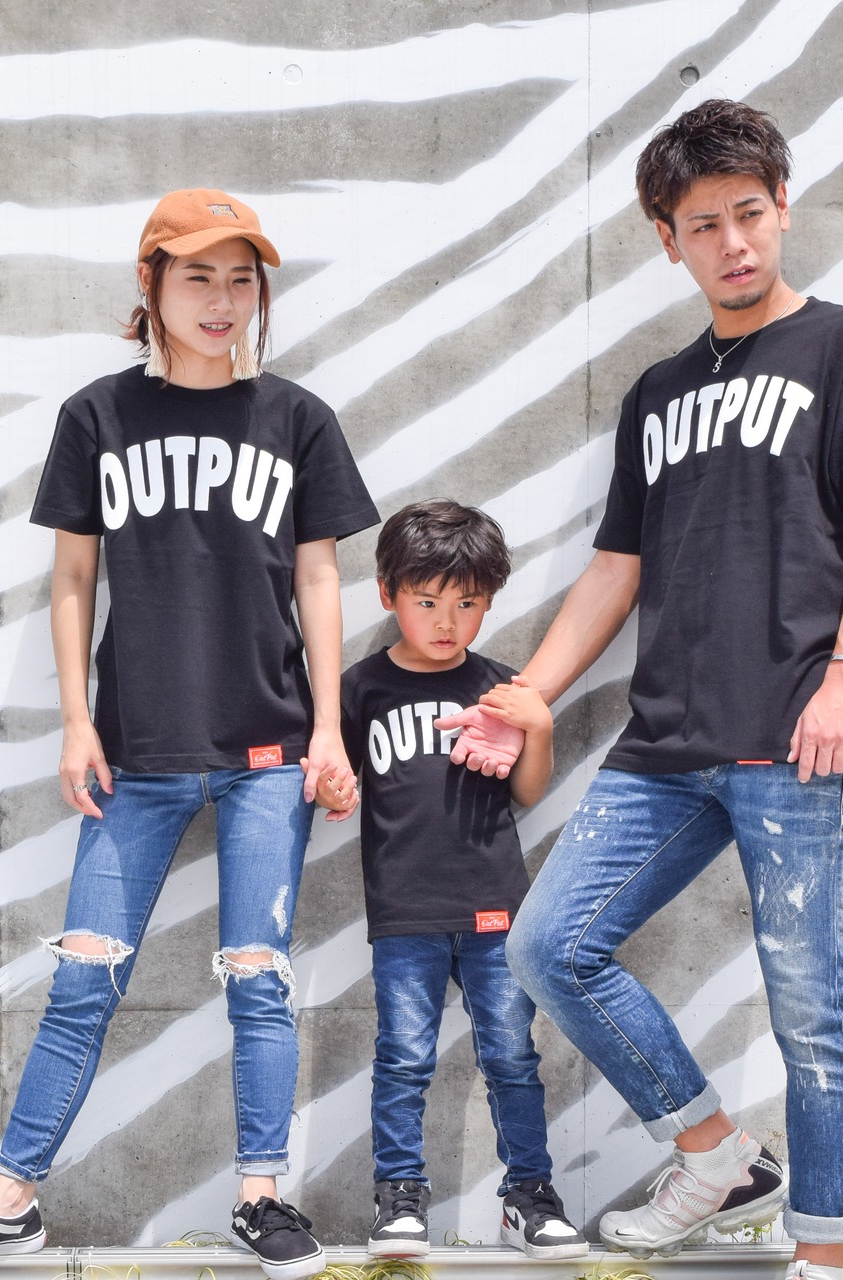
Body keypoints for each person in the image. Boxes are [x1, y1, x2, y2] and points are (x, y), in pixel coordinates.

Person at [445, 101, 843, 1280]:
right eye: (702, 224)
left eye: (748, 213)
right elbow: (614, 566)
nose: (731, 242)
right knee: (548, 946)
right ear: (665, 239)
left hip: (798, 731)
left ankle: (818, 1252)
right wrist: (528, 691)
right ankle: (715, 1149)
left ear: (781, 209)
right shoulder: (658, 390)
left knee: (809, 1006)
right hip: (664, 741)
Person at [0, 189, 379, 1279]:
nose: (222, 299)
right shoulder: (98, 416)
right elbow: (72, 579)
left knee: (259, 978)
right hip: (134, 752)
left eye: (241, 278)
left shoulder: (295, 418)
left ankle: (260, 1197)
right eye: (198, 275)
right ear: (150, 283)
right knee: (82, 982)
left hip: (267, 755)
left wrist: (329, 730)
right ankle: (9, 1200)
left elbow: (318, 577)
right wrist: (75, 722)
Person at [315, 500, 588, 1262]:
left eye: (466, 604)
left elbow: (527, 792)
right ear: (388, 594)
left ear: (489, 602)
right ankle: (399, 1197)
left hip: (495, 906)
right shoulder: (361, 689)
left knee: (511, 1056)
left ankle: (529, 1196)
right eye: (427, 601)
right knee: (403, 1056)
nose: (446, 621)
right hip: (404, 910)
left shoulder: (499, 686)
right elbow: (338, 778)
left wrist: (538, 724)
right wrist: (333, 786)